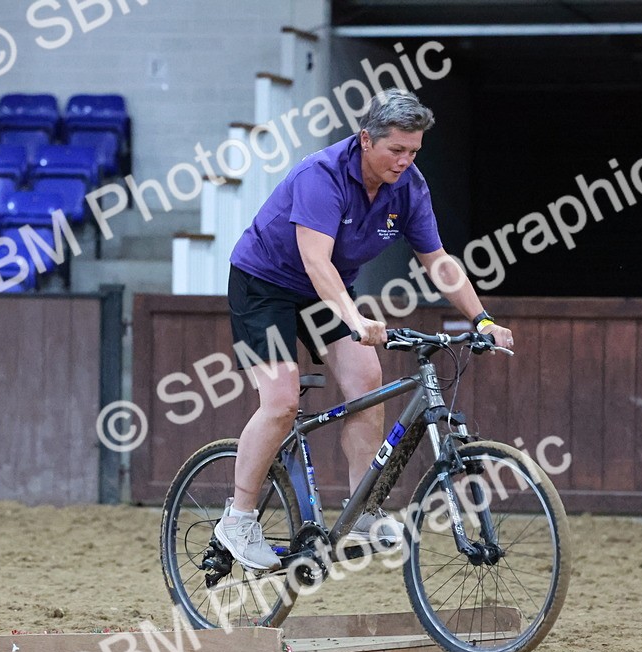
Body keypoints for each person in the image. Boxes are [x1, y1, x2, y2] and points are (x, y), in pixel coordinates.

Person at [215, 89, 515, 571]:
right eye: (396, 149)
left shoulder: (411, 187)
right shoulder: (323, 175)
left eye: (414, 151)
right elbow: (315, 260)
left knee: (366, 381)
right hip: (265, 285)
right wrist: (354, 319)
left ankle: (361, 513)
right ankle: (238, 518)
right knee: (281, 401)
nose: (405, 160)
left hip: (324, 291)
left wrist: (482, 318)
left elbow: (437, 262)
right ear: (365, 140)